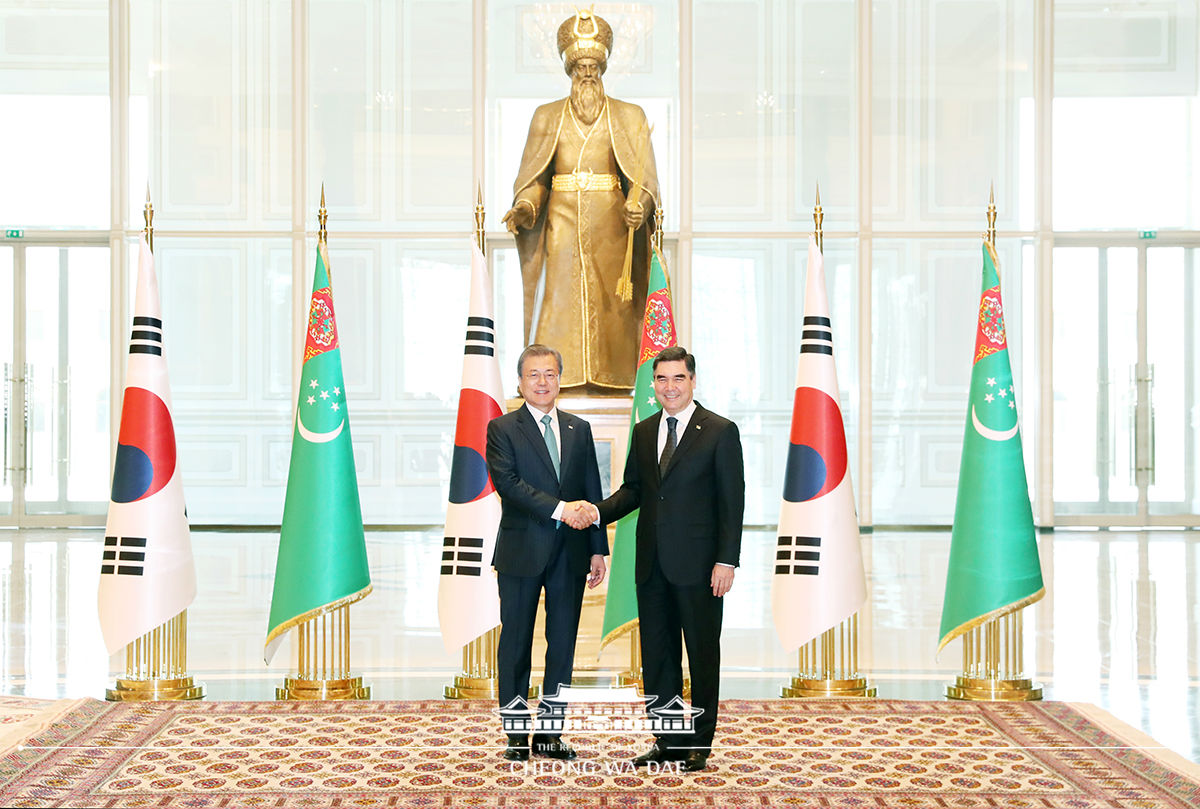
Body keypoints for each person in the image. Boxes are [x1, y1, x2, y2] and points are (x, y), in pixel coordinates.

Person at [579, 347, 744, 772]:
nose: (670, 387)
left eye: (678, 379)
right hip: (652, 566)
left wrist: (726, 561)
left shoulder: (720, 432)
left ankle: (700, 744)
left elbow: (732, 504)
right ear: (653, 385)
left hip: (702, 568)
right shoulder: (646, 428)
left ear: (693, 381)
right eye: (662, 379)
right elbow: (633, 490)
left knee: (702, 655)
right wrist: (596, 511)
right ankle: (668, 740)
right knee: (659, 656)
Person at [502, 9, 659, 394]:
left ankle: (618, 379)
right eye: (580, 66)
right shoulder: (546, 116)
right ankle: (558, 380)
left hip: (612, 227)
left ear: (602, 68)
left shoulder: (629, 115)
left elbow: (644, 178)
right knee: (558, 303)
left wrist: (640, 203)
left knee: (615, 308)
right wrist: (525, 207)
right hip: (562, 224)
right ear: (569, 70)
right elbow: (535, 178)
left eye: (593, 66)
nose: (587, 73)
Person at [486, 344, 608, 762]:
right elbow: (509, 485)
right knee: (516, 643)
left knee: (563, 644)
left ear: (560, 379)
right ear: (519, 382)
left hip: (571, 554)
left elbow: (591, 490)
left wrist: (597, 549)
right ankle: (517, 735)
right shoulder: (502, 429)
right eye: (534, 374)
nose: (542, 382)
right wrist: (561, 510)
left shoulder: (579, 428)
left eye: (550, 373)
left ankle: (551, 734)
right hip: (522, 551)